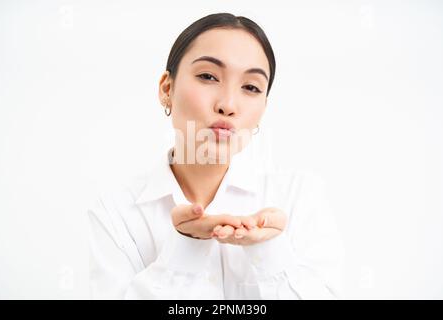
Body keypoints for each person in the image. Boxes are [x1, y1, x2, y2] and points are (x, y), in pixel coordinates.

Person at [87, 12, 345, 299]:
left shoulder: (298, 197)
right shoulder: (115, 213)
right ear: (166, 89)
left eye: (251, 87)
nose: (228, 105)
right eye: (208, 76)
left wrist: (269, 250)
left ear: (263, 107)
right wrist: (184, 248)